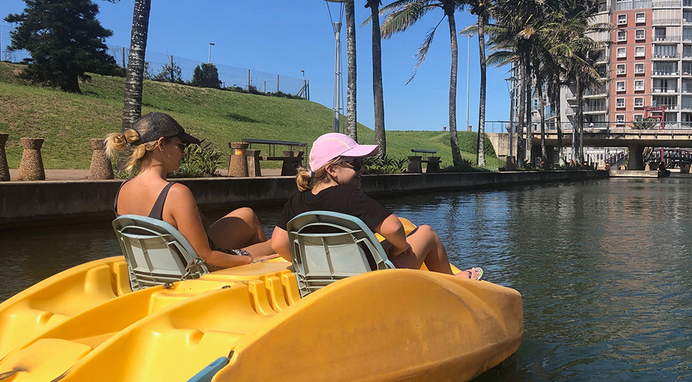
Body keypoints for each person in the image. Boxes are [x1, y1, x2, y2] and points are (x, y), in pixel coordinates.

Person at [270, 133, 483, 280]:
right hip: (370, 278)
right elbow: (393, 228)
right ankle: (451, 281)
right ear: (332, 170)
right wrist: (400, 247)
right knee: (426, 233)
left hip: (324, 278)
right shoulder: (350, 197)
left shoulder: (297, 201)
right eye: (356, 164)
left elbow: (278, 244)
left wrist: (312, 265)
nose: (362, 169)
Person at [107, 112, 275, 268]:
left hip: (162, 265)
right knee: (278, 244)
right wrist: (251, 260)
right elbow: (204, 258)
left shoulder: (122, 189)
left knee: (247, 215)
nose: (183, 153)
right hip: (192, 270)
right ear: (161, 145)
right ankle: (258, 281)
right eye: (181, 145)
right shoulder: (175, 193)